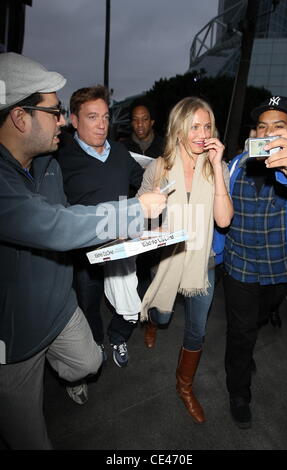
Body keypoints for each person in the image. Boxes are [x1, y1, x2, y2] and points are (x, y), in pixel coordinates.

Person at [0, 52, 166, 450]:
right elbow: (57, 224)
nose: (60, 120)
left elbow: (89, 200)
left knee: (90, 363)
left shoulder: (47, 161)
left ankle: (63, 371)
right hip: (13, 335)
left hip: (58, 306)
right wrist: (135, 212)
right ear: (21, 118)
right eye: (54, 111)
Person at [137, 96, 233, 423]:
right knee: (163, 318)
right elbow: (139, 210)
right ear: (179, 129)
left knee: (197, 331)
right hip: (165, 259)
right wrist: (151, 217)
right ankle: (152, 321)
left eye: (207, 126)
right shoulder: (159, 166)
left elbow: (223, 221)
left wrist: (219, 170)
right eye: (194, 126)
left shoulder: (216, 165)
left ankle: (185, 387)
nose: (202, 133)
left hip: (202, 263)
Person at [214, 95, 287, 430]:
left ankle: (250, 339)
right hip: (240, 265)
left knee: (258, 320)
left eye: (278, 126)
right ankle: (239, 393)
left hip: (282, 268)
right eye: (261, 127)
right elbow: (219, 213)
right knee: (241, 331)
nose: (268, 132)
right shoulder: (237, 164)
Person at [56, 85, 143, 385]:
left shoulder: (119, 151)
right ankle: (95, 344)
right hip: (85, 251)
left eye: (105, 117)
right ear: (74, 120)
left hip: (122, 244)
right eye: (92, 117)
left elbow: (143, 181)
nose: (102, 124)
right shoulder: (59, 158)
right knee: (88, 302)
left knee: (133, 298)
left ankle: (118, 336)